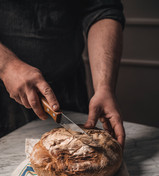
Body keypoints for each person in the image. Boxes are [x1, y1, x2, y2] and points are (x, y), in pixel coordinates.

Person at [0, 0, 125, 147]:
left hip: (70, 87)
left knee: (82, 152)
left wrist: (104, 86)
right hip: (4, 95)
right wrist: (6, 66)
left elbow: (102, 8)